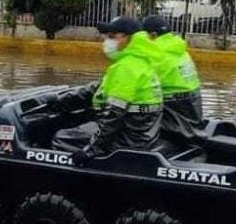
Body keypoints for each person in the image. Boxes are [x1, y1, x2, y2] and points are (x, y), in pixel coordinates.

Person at [51, 17, 163, 163]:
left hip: (127, 139)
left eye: (112, 37)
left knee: (62, 138)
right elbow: (100, 89)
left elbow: (113, 117)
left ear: (127, 38)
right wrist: (60, 99)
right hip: (143, 135)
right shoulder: (142, 61)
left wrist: (91, 150)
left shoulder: (125, 67)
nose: (107, 41)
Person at [141, 15, 203, 141]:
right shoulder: (178, 48)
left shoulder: (154, 52)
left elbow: (138, 81)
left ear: (152, 35)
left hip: (173, 107)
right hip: (193, 103)